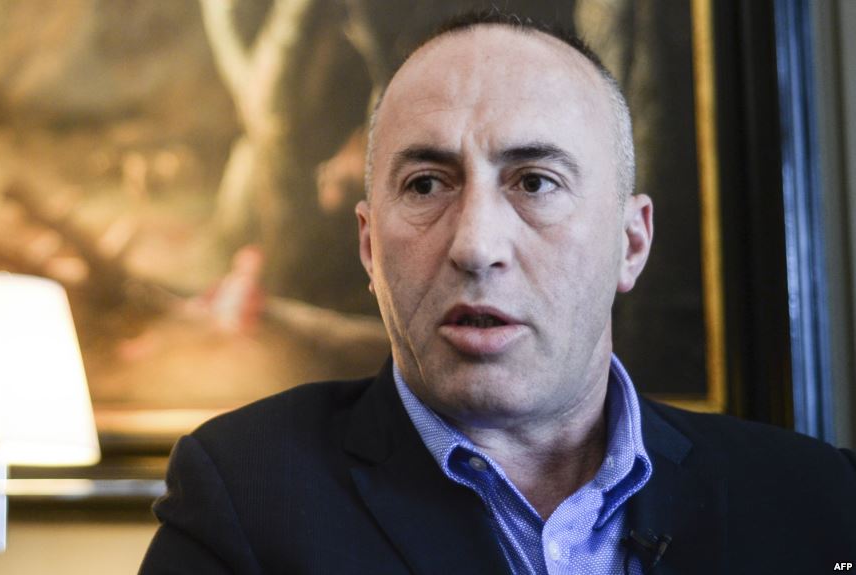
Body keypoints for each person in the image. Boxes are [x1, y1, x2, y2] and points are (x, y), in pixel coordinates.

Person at [140, 11, 856, 575]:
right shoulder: (244, 498)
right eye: (426, 184)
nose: (475, 245)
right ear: (369, 246)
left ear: (630, 243)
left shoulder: (815, 498)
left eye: (535, 182)